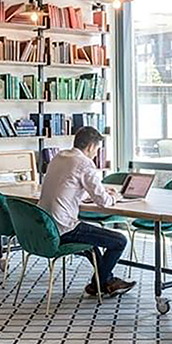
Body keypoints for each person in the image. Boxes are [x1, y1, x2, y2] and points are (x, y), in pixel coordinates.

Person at [38, 126, 136, 297]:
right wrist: (115, 196)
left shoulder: (59, 157)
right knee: (120, 240)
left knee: (92, 242)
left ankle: (105, 282)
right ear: (90, 147)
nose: (96, 154)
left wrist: (100, 191)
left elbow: (71, 186)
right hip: (63, 228)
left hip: (44, 225)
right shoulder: (84, 163)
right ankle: (99, 284)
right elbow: (104, 202)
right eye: (97, 149)